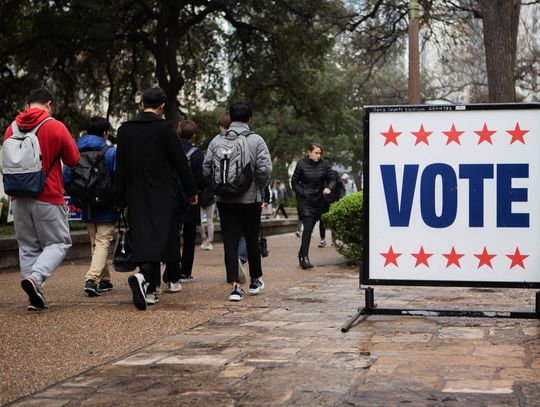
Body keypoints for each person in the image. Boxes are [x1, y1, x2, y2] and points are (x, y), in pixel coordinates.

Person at [115, 87, 197, 310]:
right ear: (161, 106)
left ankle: (147, 282)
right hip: (162, 192)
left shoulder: (124, 130)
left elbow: (120, 168)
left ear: (143, 103)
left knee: (142, 235)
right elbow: (180, 162)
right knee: (161, 237)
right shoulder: (164, 128)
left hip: (135, 193)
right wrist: (191, 191)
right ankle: (147, 283)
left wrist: (120, 198)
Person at [3, 88, 79, 310]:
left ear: (28, 104)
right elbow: (73, 159)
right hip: (48, 194)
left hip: (17, 196)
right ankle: (35, 279)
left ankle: (33, 297)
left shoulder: (11, 128)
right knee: (58, 242)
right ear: (48, 104)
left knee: (27, 246)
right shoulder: (55, 126)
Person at [203, 100, 272, 302]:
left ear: (231, 118)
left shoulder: (217, 141)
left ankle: (234, 286)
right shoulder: (256, 140)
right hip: (250, 198)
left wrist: (217, 187)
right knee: (251, 238)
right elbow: (265, 168)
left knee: (230, 241)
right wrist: (259, 185)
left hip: (224, 199)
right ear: (249, 118)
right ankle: (255, 280)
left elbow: (206, 168)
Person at [63, 116, 119, 296]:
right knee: (102, 242)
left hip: (85, 204)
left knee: (96, 242)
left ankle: (105, 280)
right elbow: (118, 178)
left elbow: (66, 179)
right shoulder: (110, 153)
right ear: (105, 133)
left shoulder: (75, 151)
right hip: (106, 204)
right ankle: (92, 279)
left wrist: (79, 196)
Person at [291, 143, 335, 269]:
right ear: (309, 152)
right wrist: (302, 192)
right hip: (305, 201)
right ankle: (305, 257)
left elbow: (332, 178)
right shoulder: (301, 164)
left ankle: (301, 253)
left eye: (320, 153)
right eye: (316, 153)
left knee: (311, 227)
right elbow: (294, 182)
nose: (318, 155)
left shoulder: (324, 164)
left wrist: (328, 188)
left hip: (319, 201)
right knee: (308, 228)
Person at [177, 120, 206, 282]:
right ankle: (185, 272)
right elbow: (202, 180)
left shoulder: (170, 150)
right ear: (194, 136)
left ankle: (172, 268)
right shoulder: (197, 154)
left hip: (171, 198)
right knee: (189, 237)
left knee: (172, 234)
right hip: (191, 199)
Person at [318, 169, 344, 247]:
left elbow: (341, 187)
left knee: (334, 220)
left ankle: (334, 239)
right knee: (322, 220)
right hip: (323, 202)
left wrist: (340, 199)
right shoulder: (320, 174)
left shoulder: (335, 173)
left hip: (334, 201)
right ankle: (322, 239)